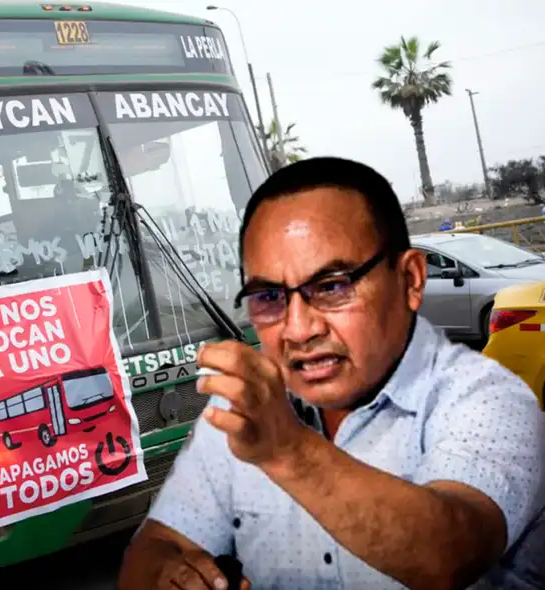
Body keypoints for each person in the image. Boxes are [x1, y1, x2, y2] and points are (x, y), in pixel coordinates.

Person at [118, 157, 545, 589]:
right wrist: (170, 574)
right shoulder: (246, 413)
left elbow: (451, 554)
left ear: (410, 280)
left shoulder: (490, 400)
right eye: (268, 296)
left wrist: (287, 451)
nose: (299, 330)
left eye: (332, 286)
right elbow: (155, 545)